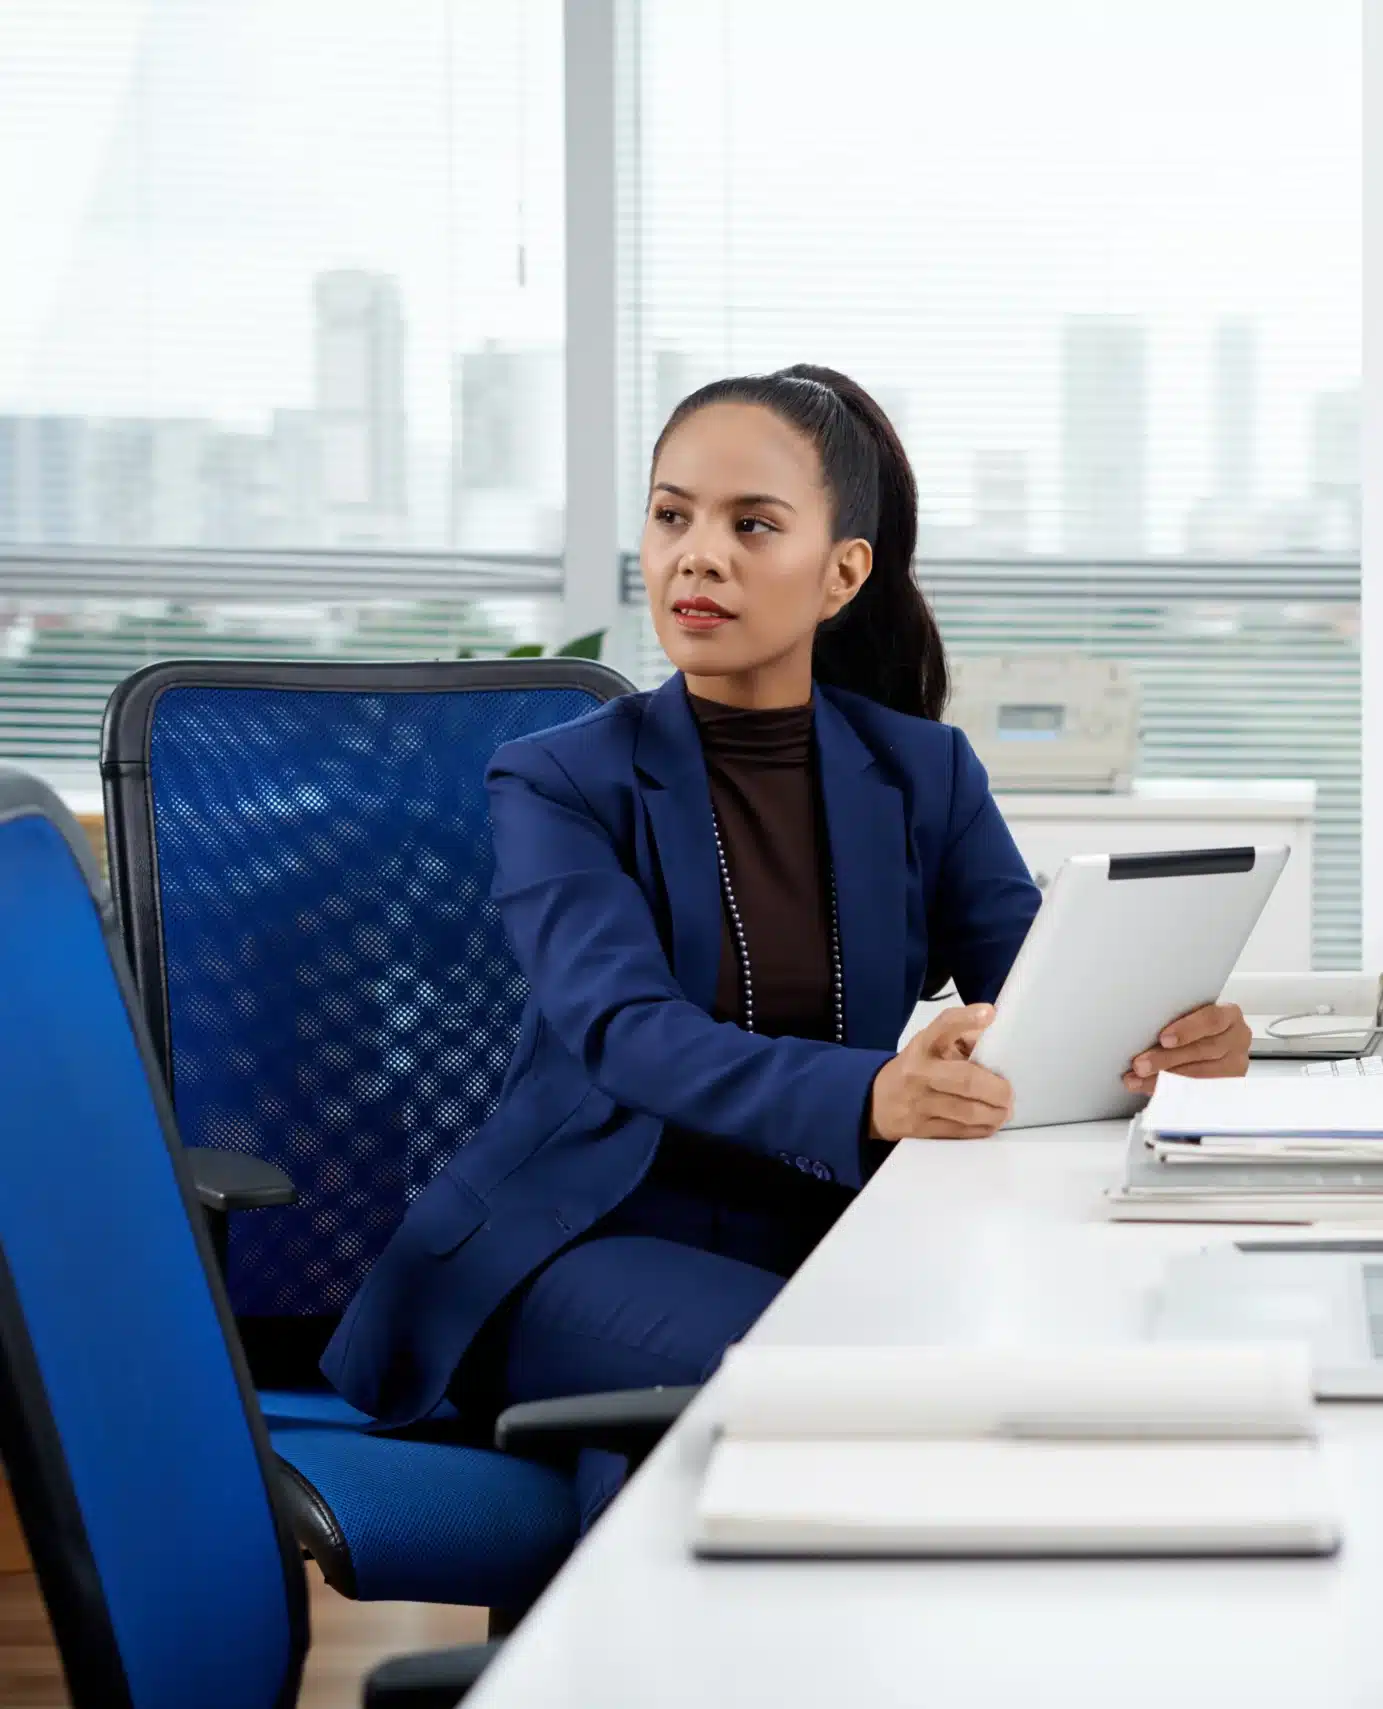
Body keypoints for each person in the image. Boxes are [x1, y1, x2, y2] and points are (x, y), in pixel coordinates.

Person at [323, 365, 1250, 1505]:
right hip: (576, 1239)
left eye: (750, 524)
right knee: (869, 1396)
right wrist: (872, 1094)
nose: (696, 555)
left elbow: (1038, 993)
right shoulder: (560, 777)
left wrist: (1168, 1039)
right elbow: (625, 1029)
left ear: (841, 571)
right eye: (672, 515)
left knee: (1061, 1351)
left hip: (829, 1228)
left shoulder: (920, 772)